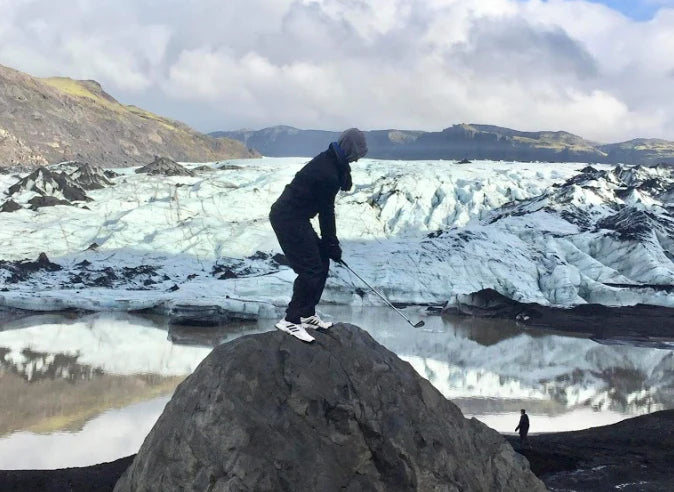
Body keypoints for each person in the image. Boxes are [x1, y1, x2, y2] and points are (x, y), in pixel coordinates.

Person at [269, 128, 368, 342]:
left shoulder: (334, 162)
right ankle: (291, 320)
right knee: (311, 268)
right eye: (358, 154)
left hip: (298, 217)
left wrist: (328, 248)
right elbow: (326, 213)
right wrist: (331, 243)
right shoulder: (328, 173)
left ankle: (306, 313)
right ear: (351, 150)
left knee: (322, 261)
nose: (358, 160)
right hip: (287, 218)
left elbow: (329, 204)